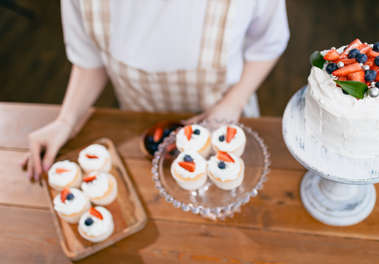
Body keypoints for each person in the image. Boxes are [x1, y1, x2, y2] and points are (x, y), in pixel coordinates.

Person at [23, 0, 289, 180]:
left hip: (225, 122)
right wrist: (65, 121)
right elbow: (91, 59)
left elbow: (267, 43)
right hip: (139, 128)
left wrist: (233, 103)